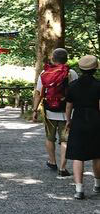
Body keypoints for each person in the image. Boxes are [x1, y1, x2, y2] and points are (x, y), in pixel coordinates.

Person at [32, 48, 77, 177]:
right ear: (66, 59)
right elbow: (74, 94)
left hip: (49, 110)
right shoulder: (71, 73)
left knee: (49, 138)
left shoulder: (45, 72)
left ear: (52, 58)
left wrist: (34, 110)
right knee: (65, 140)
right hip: (67, 112)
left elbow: (39, 93)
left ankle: (52, 161)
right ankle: (63, 168)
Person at [64, 55, 100, 200]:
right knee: (97, 154)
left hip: (78, 119)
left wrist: (68, 120)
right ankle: (97, 184)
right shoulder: (98, 85)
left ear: (80, 68)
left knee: (78, 156)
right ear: (95, 68)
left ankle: (79, 189)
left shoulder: (72, 86)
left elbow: (68, 106)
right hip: (95, 119)